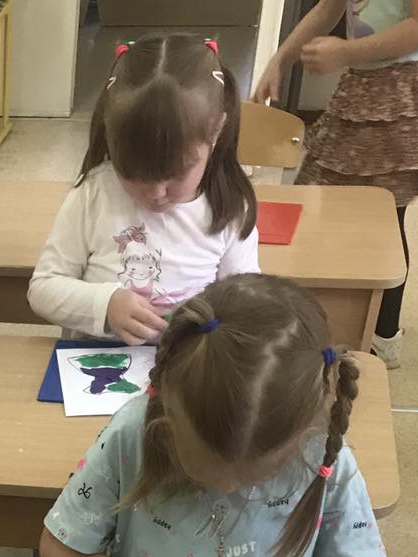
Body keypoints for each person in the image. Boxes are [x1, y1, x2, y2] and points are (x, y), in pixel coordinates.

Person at [39, 274, 384, 557]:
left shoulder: (322, 453)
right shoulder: (133, 434)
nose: (229, 489)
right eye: (203, 469)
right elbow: (60, 546)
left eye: (258, 475)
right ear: (167, 412)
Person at [29, 34, 258, 343]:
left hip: (187, 364)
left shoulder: (229, 207)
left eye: (176, 175)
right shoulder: (93, 195)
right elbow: (43, 289)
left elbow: (246, 303)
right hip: (94, 362)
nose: (156, 193)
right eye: (135, 174)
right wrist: (105, 305)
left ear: (216, 131)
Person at [253, 0, 418, 368]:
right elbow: (330, 6)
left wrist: (345, 52)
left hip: (407, 88)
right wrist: (280, 58)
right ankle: (361, 324)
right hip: (364, 85)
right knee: (340, 208)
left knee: (382, 216)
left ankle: (382, 335)